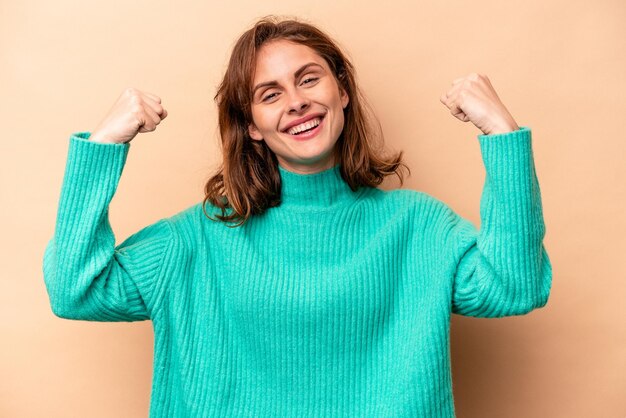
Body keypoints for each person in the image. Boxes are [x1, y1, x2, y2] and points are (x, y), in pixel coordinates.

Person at [43, 15, 552, 418]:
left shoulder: (418, 228)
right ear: (253, 127)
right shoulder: (196, 238)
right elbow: (75, 290)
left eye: (309, 79)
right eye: (270, 94)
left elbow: (516, 285)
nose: (297, 102)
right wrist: (104, 144)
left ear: (342, 91)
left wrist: (501, 134)